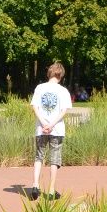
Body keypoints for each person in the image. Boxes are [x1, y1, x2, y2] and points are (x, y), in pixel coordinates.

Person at [29, 62, 73, 201]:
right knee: (54, 159)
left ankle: (35, 185)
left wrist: (43, 123)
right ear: (61, 75)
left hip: (40, 129)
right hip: (57, 129)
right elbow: (63, 110)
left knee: (39, 157)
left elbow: (34, 106)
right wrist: (52, 124)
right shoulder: (63, 91)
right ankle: (52, 189)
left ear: (49, 73)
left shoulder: (39, 88)